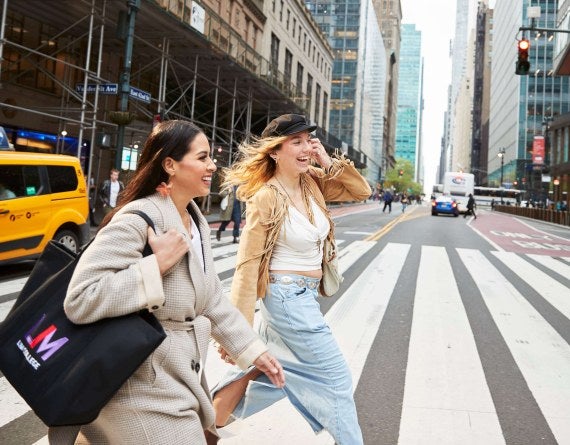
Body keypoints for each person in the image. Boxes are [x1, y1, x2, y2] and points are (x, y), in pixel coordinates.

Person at [48, 120, 285, 445]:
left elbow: (211, 299)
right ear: (170, 165)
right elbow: (81, 298)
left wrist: (252, 350)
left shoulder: (196, 222)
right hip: (138, 381)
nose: (212, 165)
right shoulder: (136, 220)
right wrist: (155, 266)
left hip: (177, 375)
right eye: (202, 157)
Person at [211, 114, 370, 444]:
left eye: (307, 141)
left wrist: (327, 160)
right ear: (274, 151)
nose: (305, 148)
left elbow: (361, 190)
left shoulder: (312, 181)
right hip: (285, 299)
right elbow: (247, 266)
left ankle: (202, 432)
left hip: (304, 296)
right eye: (295, 142)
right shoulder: (266, 196)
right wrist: (236, 332)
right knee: (336, 380)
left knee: (265, 372)